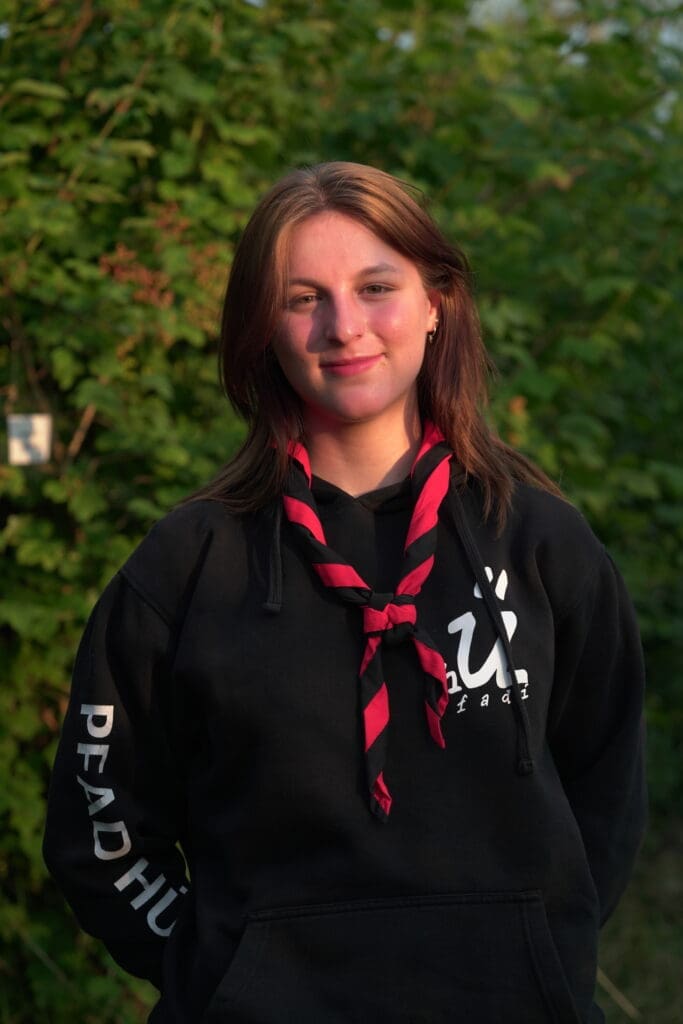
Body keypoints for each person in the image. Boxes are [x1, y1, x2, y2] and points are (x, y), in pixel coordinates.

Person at [44, 161, 647, 1024]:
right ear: (263, 329)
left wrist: (539, 957)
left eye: (375, 287)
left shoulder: (543, 546)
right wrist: (220, 970)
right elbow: (99, 831)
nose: (344, 327)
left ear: (436, 302)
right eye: (303, 299)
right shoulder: (188, 566)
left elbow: (608, 795)